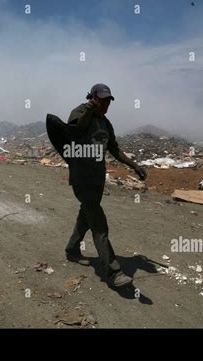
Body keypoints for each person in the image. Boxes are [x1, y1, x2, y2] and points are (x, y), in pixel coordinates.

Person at [63, 83, 147, 288]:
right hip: (81, 176)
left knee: (87, 213)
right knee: (99, 222)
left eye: (108, 101)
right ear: (93, 98)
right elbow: (76, 130)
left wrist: (135, 166)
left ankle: (72, 250)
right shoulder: (80, 112)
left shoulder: (105, 123)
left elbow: (115, 150)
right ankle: (114, 271)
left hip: (97, 178)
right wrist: (90, 110)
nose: (106, 104)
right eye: (102, 100)